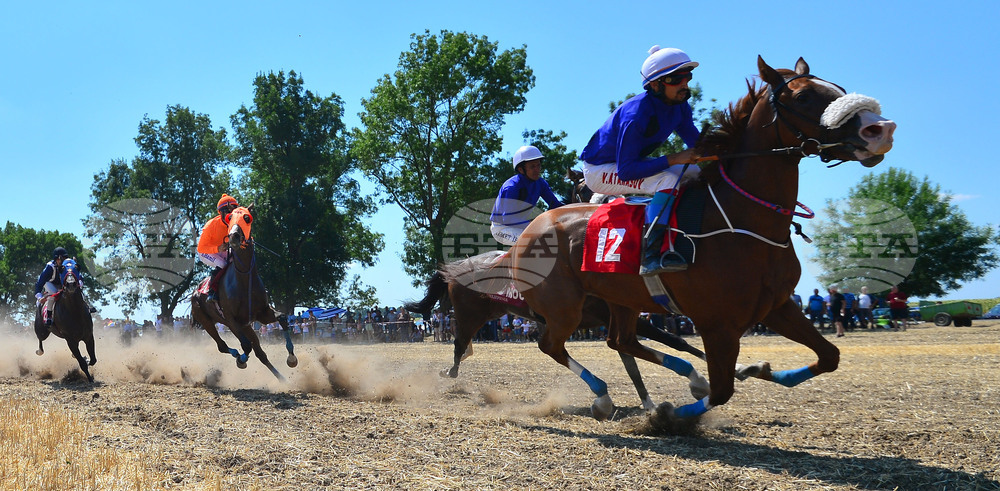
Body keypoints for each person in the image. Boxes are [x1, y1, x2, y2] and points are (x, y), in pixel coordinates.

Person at [579, 45, 702, 275]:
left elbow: (695, 144)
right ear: (655, 85)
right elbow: (627, 171)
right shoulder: (636, 115)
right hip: (600, 170)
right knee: (665, 180)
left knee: (696, 172)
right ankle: (651, 256)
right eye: (677, 79)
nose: (685, 84)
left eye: (688, 77)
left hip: (626, 164)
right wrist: (675, 158)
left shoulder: (680, 104)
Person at [490, 145, 565, 246]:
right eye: (532, 166)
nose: (537, 169)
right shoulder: (511, 187)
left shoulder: (540, 183)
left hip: (518, 227)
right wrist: (536, 225)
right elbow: (508, 219)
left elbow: (556, 205)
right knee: (536, 243)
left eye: (538, 165)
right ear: (521, 170)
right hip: (502, 229)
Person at [197, 193, 240, 303]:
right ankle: (213, 291)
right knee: (224, 264)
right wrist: (217, 248)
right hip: (206, 252)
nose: (229, 215)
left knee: (239, 261)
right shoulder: (211, 225)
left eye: (232, 212)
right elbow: (201, 248)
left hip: (223, 250)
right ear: (220, 213)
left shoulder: (236, 223)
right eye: (226, 211)